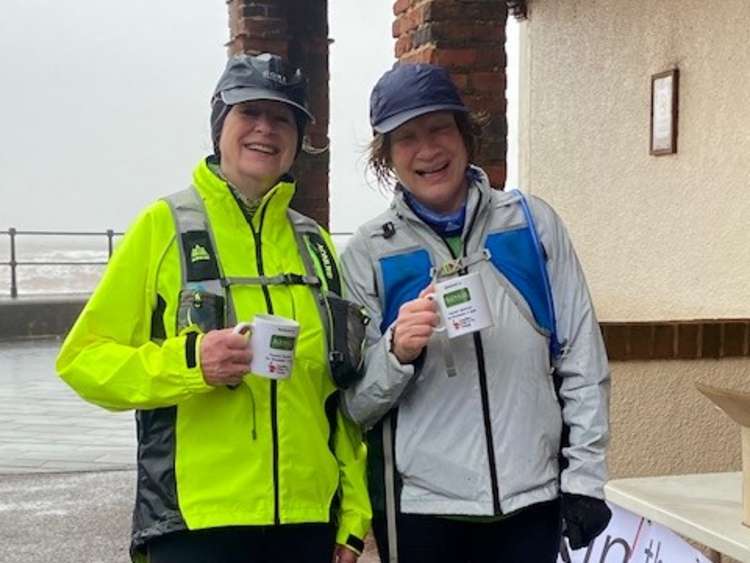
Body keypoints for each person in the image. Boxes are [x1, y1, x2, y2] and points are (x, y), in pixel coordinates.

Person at [56, 53, 370, 563]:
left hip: (308, 526)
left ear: (298, 139)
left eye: (283, 117)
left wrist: (352, 518)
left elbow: (338, 399)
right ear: (219, 125)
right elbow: (83, 361)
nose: (265, 129)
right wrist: (189, 364)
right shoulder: (163, 227)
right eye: (250, 113)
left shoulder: (317, 246)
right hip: (195, 526)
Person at [340, 63, 611, 562]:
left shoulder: (532, 224)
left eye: (440, 127)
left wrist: (585, 479)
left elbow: (582, 358)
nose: (428, 150)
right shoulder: (368, 253)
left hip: (533, 503)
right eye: (406, 137)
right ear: (387, 156)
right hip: (422, 513)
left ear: (466, 133)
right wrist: (397, 353)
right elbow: (352, 407)